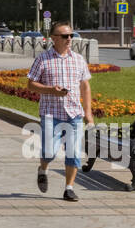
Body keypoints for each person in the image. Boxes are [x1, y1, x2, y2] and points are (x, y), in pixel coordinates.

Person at [26, 21, 94, 202]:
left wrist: (88, 113)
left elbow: (85, 86)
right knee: (49, 151)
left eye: (71, 35)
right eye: (65, 36)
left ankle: (69, 188)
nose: (69, 39)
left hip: (74, 114)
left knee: (73, 153)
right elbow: (30, 83)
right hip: (51, 112)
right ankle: (43, 169)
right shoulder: (43, 59)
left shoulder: (79, 59)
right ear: (54, 38)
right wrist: (50, 90)